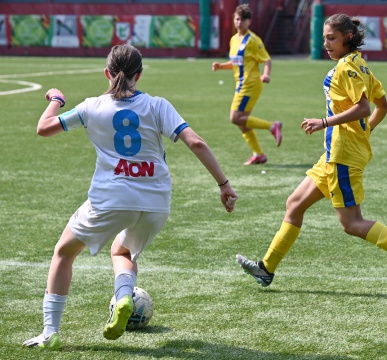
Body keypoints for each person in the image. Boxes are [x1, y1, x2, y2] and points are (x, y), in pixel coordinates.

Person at [23, 44, 238, 350]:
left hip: (109, 200)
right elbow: (197, 143)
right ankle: (124, 297)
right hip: (156, 203)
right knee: (122, 253)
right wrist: (223, 184)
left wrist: (56, 101)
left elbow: (44, 129)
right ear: (140, 74)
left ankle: (50, 332)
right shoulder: (157, 105)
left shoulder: (91, 107)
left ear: (107, 73)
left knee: (63, 252)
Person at [236, 14, 387, 292]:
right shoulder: (361, 65)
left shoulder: (346, 68)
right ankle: (266, 269)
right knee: (294, 204)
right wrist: (365, 132)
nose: (326, 44)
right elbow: (383, 107)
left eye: (331, 39)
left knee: (352, 223)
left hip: (343, 155)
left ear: (347, 38)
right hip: (333, 154)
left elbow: (365, 108)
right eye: (324, 38)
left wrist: (324, 122)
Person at [212, 3, 282, 165]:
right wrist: (221, 66)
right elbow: (236, 62)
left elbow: (267, 59)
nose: (239, 22)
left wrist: (266, 74)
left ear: (249, 22)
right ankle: (259, 154)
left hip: (250, 85)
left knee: (235, 118)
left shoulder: (253, 40)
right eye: (237, 19)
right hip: (241, 84)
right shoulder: (233, 40)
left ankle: (272, 126)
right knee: (242, 121)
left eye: (243, 20)